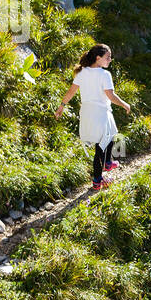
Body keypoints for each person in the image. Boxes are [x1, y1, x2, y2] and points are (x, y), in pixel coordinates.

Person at [55, 43, 131, 191]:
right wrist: (124, 104)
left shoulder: (81, 73)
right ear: (98, 58)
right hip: (101, 112)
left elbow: (71, 92)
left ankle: (103, 171)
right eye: (107, 57)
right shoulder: (104, 74)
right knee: (103, 144)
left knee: (105, 139)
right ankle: (100, 175)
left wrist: (61, 106)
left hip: (87, 113)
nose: (110, 60)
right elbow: (111, 95)